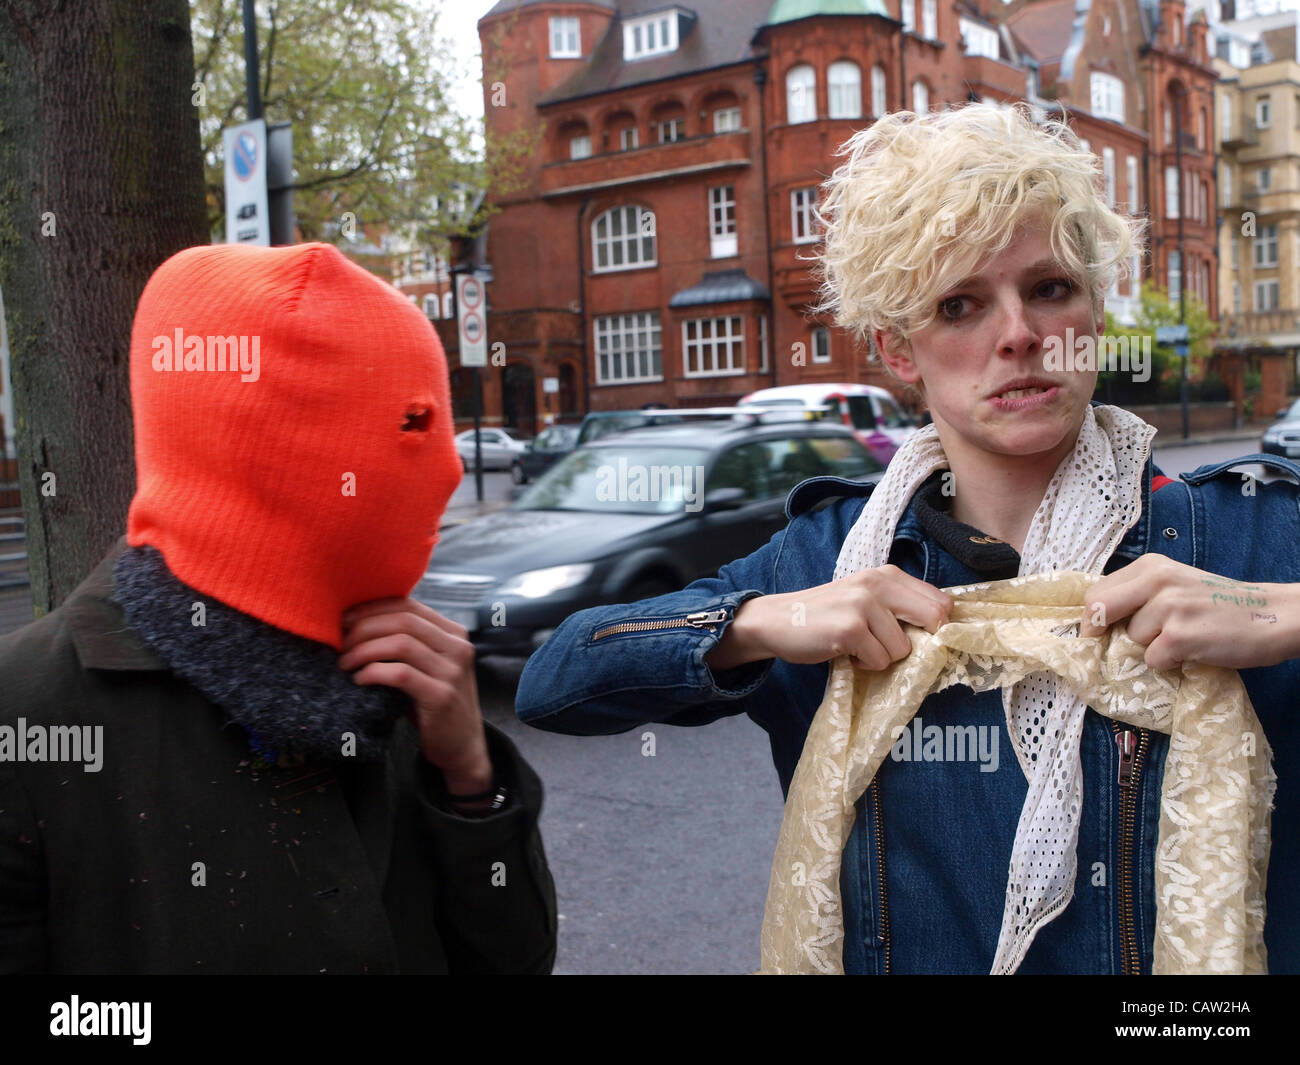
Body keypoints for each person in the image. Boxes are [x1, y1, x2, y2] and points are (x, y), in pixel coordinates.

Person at [515, 102, 1300, 974]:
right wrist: (763, 622)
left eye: (1050, 288)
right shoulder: (831, 559)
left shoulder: (1245, 537)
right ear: (897, 350)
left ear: (1095, 310)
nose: (1019, 335)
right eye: (959, 304)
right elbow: (556, 682)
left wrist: (1285, 612)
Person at [0, 242, 556, 974]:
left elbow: (512, 962)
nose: (448, 470)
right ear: (257, 440)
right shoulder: (28, 712)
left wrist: (473, 783)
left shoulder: (404, 673)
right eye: (412, 423)